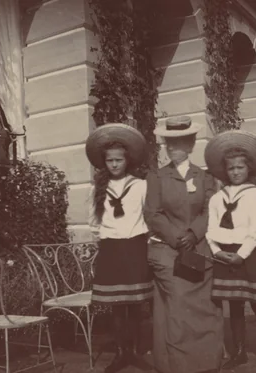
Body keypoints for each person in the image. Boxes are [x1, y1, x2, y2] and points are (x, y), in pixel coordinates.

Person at [202, 130, 256, 372]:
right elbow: (210, 229)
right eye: (231, 168)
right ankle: (239, 352)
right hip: (223, 255)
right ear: (225, 171)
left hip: (249, 255)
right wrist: (216, 251)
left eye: (240, 167)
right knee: (235, 305)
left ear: (248, 169)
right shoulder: (217, 198)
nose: (236, 172)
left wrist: (241, 254)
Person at [144, 116, 224, 373]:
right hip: (167, 251)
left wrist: (194, 233)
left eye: (178, 142)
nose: (172, 148)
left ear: (190, 145)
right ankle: (178, 366)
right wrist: (178, 238)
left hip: (199, 250)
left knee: (206, 307)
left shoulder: (204, 177)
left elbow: (210, 209)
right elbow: (153, 214)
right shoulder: (157, 176)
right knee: (178, 306)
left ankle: (207, 363)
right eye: (168, 143)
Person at [84, 123, 155, 373]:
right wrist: (105, 240)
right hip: (111, 249)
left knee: (135, 304)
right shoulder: (97, 189)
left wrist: (146, 242)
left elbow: (148, 216)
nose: (114, 164)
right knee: (116, 305)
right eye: (110, 160)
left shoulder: (140, 186)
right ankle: (120, 353)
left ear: (127, 161)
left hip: (135, 247)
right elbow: (94, 223)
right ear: (104, 162)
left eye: (118, 160)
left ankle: (134, 351)